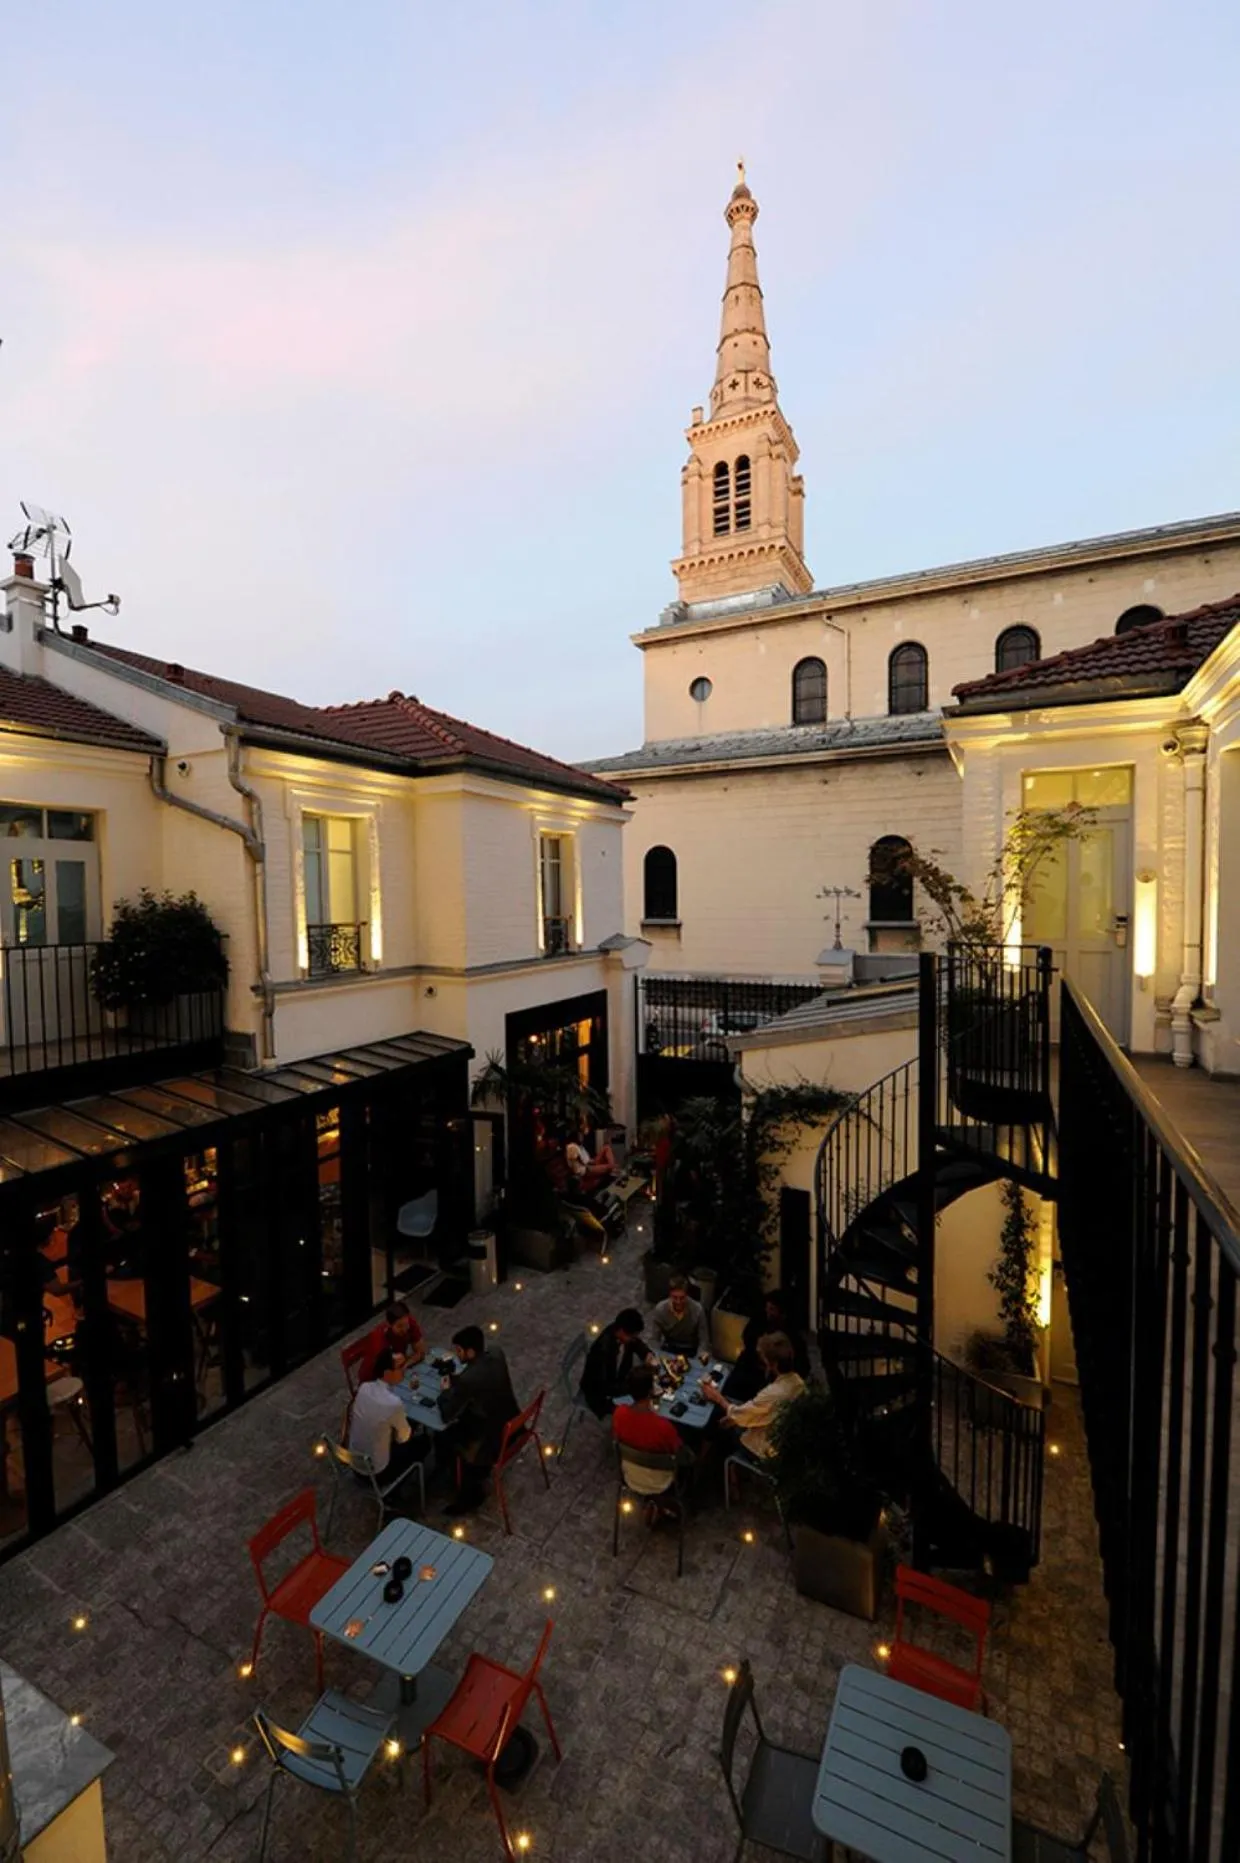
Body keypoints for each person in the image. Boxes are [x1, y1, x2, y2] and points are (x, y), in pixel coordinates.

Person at [440, 1324, 521, 1514]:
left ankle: (469, 1493)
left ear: (469, 1351)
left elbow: (446, 1414)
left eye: (458, 1351)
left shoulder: (467, 1380)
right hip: (513, 1426)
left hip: (492, 1441)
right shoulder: (497, 1353)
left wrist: (445, 1392)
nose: (457, 1355)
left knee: (446, 1436)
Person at [702, 1332, 806, 1460]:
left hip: (762, 1448)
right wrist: (735, 1417)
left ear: (772, 1363)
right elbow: (757, 1412)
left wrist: (718, 1398)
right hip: (777, 1436)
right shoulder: (798, 1382)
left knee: (716, 1413)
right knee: (727, 1415)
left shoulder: (772, 1393)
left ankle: (702, 1463)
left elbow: (745, 1414)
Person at [612, 1363, 694, 1510]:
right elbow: (682, 1456)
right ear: (651, 1390)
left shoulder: (619, 1414)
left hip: (631, 1475)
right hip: (660, 1481)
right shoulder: (663, 1427)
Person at [347, 1347, 429, 1485]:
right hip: (376, 1473)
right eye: (399, 1367)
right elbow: (403, 1438)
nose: (404, 1370)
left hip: (355, 1465)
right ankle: (398, 1490)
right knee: (424, 1442)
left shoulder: (364, 1388)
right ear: (387, 1373)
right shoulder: (393, 1403)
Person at [723, 1290, 810, 1403]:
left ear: (783, 1314)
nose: (768, 1311)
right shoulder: (760, 1320)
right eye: (767, 1308)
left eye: (772, 1309)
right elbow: (747, 1336)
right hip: (751, 1366)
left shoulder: (794, 1338)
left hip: (775, 1378)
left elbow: (802, 1368)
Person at [580, 1307, 653, 1417]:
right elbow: (602, 1387)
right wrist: (633, 1387)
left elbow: (637, 1343)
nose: (634, 1339)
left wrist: (647, 1354)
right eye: (632, 1336)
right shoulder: (601, 1352)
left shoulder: (618, 1330)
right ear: (622, 1332)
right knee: (640, 1409)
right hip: (600, 1395)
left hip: (618, 1381)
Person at [358, 1300, 426, 1383]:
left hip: (396, 1369)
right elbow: (381, 1372)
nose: (404, 1329)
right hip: (373, 1378)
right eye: (399, 1326)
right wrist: (396, 1363)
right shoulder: (380, 1338)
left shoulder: (409, 1322)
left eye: (406, 1324)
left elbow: (420, 1353)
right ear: (389, 1324)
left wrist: (405, 1365)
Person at [652, 1275, 706, 1353]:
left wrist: (700, 1359)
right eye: (675, 1297)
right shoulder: (660, 1310)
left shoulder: (697, 1310)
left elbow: (703, 1341)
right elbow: (655, 1339)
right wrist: (657, 1355)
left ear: (687, 1295)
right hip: (670, 1347)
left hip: (691, 1349)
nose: (678, 1302)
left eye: (682, 1298)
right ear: (670, 1295)